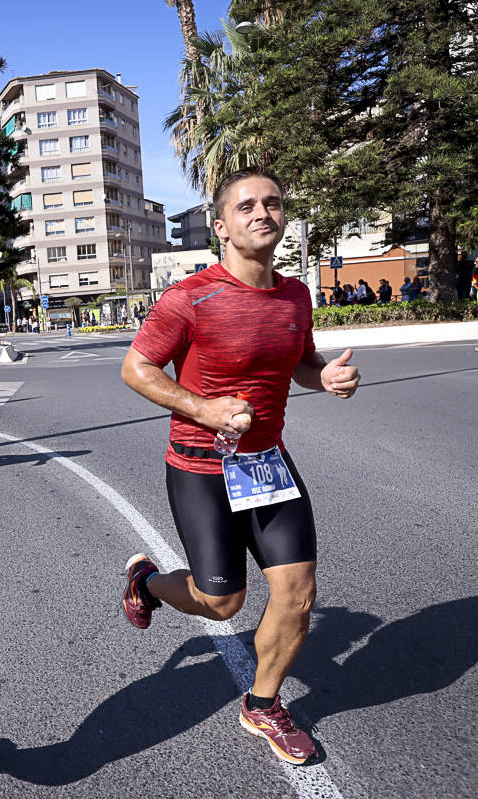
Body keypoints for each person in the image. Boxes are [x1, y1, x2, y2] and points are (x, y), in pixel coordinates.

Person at [119, 167, 360, 766]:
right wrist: (203, 407)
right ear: (221, 226)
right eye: (246, 205)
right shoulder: (190, 298)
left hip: (268, 464)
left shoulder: (295, 294)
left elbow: (302, 361)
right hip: (200, 467)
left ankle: (263, 703)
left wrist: (323, 376)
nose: (263, 213)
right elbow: (137, 369)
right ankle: (146, 581)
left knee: (297, 594)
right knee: (223, 602)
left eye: (273, 203)